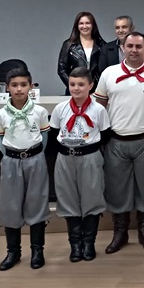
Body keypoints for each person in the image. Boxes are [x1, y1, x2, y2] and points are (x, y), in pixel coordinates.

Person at [95, 31, 144, 254]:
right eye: (130, 46)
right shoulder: (109, 74)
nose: (134, 50)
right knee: (117, 188)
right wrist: (100, 135)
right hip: (117, 141)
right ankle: (119, 233)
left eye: (139, 46)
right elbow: (99, 105)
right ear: (123, 48)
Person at [0, 68, 51, 270]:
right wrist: (13, 156)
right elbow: (0, 141)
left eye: (23, 85)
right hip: (11, 161)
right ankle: (13, 252)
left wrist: (32, 155)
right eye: (14, 85)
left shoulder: (40, 112)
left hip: (35, 159)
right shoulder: (1, 114)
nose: (19, 89)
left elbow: (44, 140)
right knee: (11, 206)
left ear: (31, 87)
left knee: (37, 203)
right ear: (7, 88)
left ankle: (37, 251)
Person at [50, 67, 110, 262]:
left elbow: (105, 134)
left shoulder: (99, 110)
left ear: (90, 86)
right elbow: (53, 133)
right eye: (72, 84)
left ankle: (89, 243)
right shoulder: (61, 109)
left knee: (92, 198)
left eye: (81, 84)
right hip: (66, 158)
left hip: (90, 157)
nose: (76, 88)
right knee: (68, 199)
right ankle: (75, 245)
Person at [58, 11, 106, 94]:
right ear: (77, 26)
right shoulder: (68, 44)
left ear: (93, 25)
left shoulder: (101, 45)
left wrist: (96, 86)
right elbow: (61, 69)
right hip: (74, 91)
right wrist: (73, 85)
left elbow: (104, 70)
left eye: (87, 23)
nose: (84, 26)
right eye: (81, 23)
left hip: (96, 90)